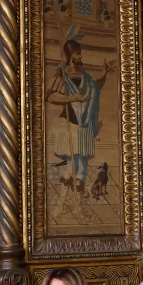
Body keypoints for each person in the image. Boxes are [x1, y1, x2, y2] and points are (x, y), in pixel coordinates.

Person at [46, 36, 115, 193]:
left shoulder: (86, 78)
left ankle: (80, 181)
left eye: (80, 53)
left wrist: (105, 72)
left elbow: (97, 87)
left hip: (84, 122)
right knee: (71, 154)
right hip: (68, 120)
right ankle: (70, 176)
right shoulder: (62, 76)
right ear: (70, 56)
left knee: (82, 155)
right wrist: (73, 98)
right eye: (77, 53)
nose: (80, 56)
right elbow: (51, 97)